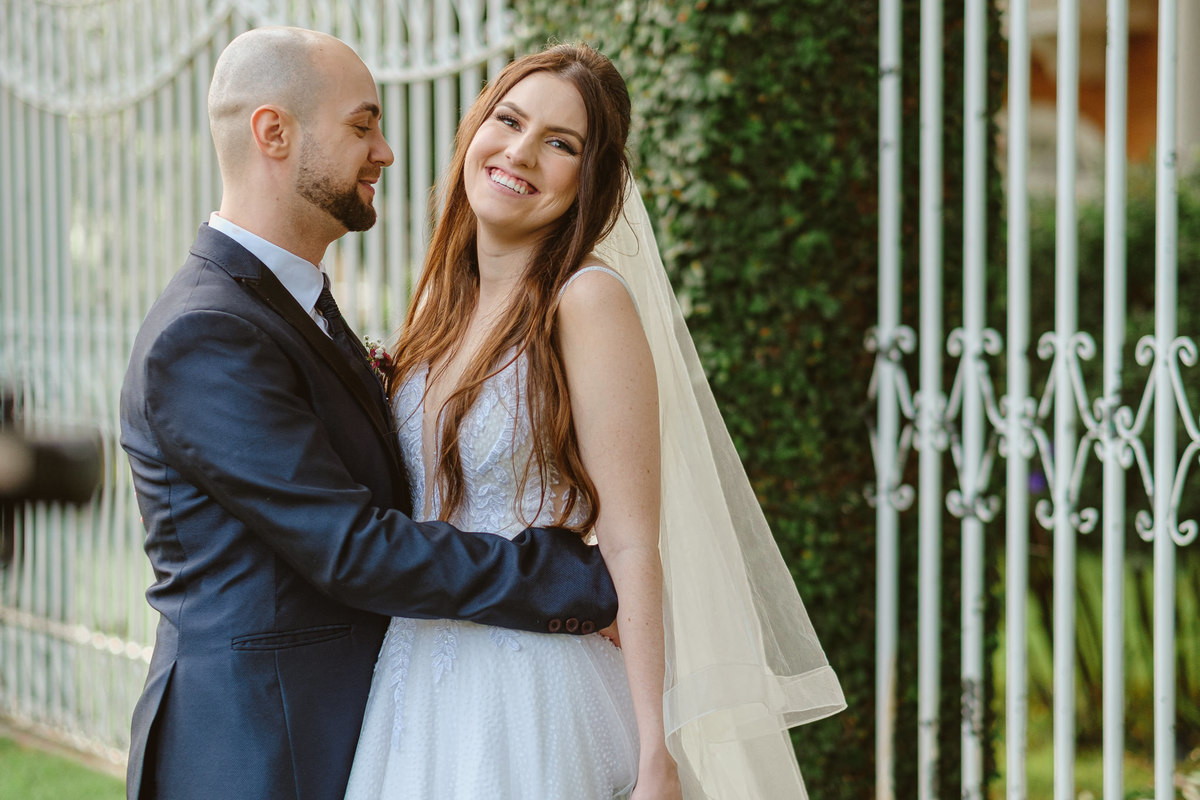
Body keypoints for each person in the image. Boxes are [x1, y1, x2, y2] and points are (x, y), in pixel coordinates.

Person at [118, 27, 620, 800]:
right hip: (259, 749)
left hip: (383, 719)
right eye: (363, 126)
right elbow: (350, 547)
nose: (385, 151)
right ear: (273, 133)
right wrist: (571, 577)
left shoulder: (294, 306)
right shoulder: (207, 332)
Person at [344, 43, 846, 800]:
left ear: (590, 181)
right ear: (475, 128)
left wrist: (656, 753)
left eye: (561, 144)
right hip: (415, 686)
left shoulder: (586, 303)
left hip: (534, 699)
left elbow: (633, 539)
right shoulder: (438, 308)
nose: (520, 153)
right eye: (508, 120)